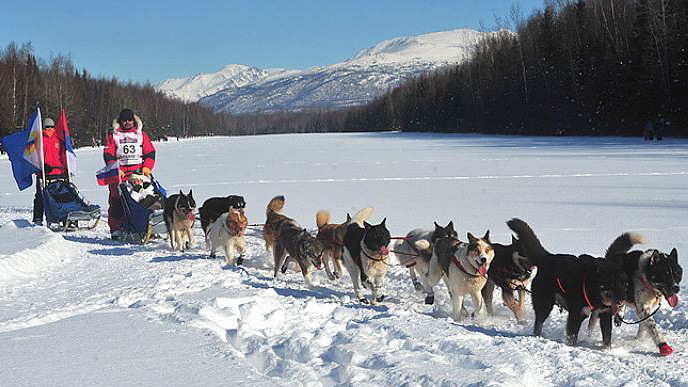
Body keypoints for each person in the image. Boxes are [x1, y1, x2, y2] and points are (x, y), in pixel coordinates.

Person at [103, 109, 156, 239]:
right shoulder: (114, 135)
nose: (127, 122)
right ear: (120, 121)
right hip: (119, 173)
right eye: (124, 120)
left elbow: (150, 153)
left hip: (138, 172)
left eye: (129, 120)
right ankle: (116, 228)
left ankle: (146, 225)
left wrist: (147, 167)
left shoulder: (141, 134)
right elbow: (108, 154)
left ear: (133, 121)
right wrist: (114, 167)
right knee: (116, 201)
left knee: (144, 198)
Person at [33, 117, 68, 226]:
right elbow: (34, 156)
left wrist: (66, 167)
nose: (49, 129)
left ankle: (61, 217)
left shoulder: (58, 139)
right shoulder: (38, 139)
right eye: (47, 127)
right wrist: (40, 166)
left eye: (51, 127)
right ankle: (38, 218)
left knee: (61, 196)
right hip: (43, 173)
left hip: (58, 172)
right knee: (40, 196)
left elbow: (62, 155)